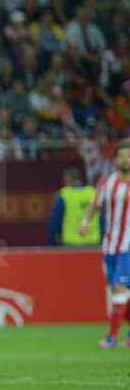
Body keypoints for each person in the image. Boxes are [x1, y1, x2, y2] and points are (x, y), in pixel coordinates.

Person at [79, 142, 130, 348]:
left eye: (129, 155)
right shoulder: (106, 183)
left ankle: (111, 337)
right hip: (110, 247)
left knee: (119, 287)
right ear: (115, 159)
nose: (126, 159)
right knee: (119, 292)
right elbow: (94, 205)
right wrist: (84, 222)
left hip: (128, 247)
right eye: (122, 156)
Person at [47, 167, 100, 247]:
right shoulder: (93, 193)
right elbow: (103, 219)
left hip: (71, 246)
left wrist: (54, 244)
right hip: (94, 244)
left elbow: (54, 223)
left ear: (66, 179)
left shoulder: (63, 195)